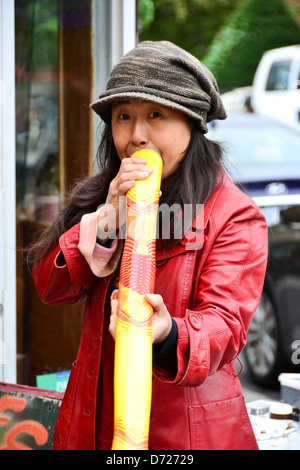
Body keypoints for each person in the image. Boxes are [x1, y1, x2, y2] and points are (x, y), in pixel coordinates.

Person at [29, 41, 268, 450]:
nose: (137, 135)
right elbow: (51, 287)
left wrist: (166, 332)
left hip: (185, 436)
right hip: (93, 423)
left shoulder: (232, 215)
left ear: (190, 123)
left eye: (155, 115)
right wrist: (106, 224)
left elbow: (224, 328)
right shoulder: (107, 196)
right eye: (124, 117)